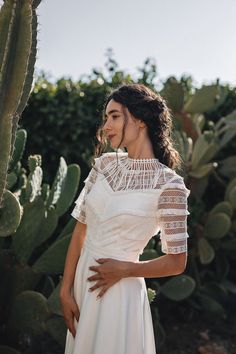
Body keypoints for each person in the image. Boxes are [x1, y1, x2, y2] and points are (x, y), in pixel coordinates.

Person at [60, 83, 191, 354]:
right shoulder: (104, 165)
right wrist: (65, 290)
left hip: (120, 294)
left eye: (115, 116)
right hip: (82, 285)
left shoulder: (170, 185)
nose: (106, 125)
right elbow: (80, 230)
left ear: (140, 119)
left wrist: (126, 270)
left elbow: (177, 262)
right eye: (106, 117)